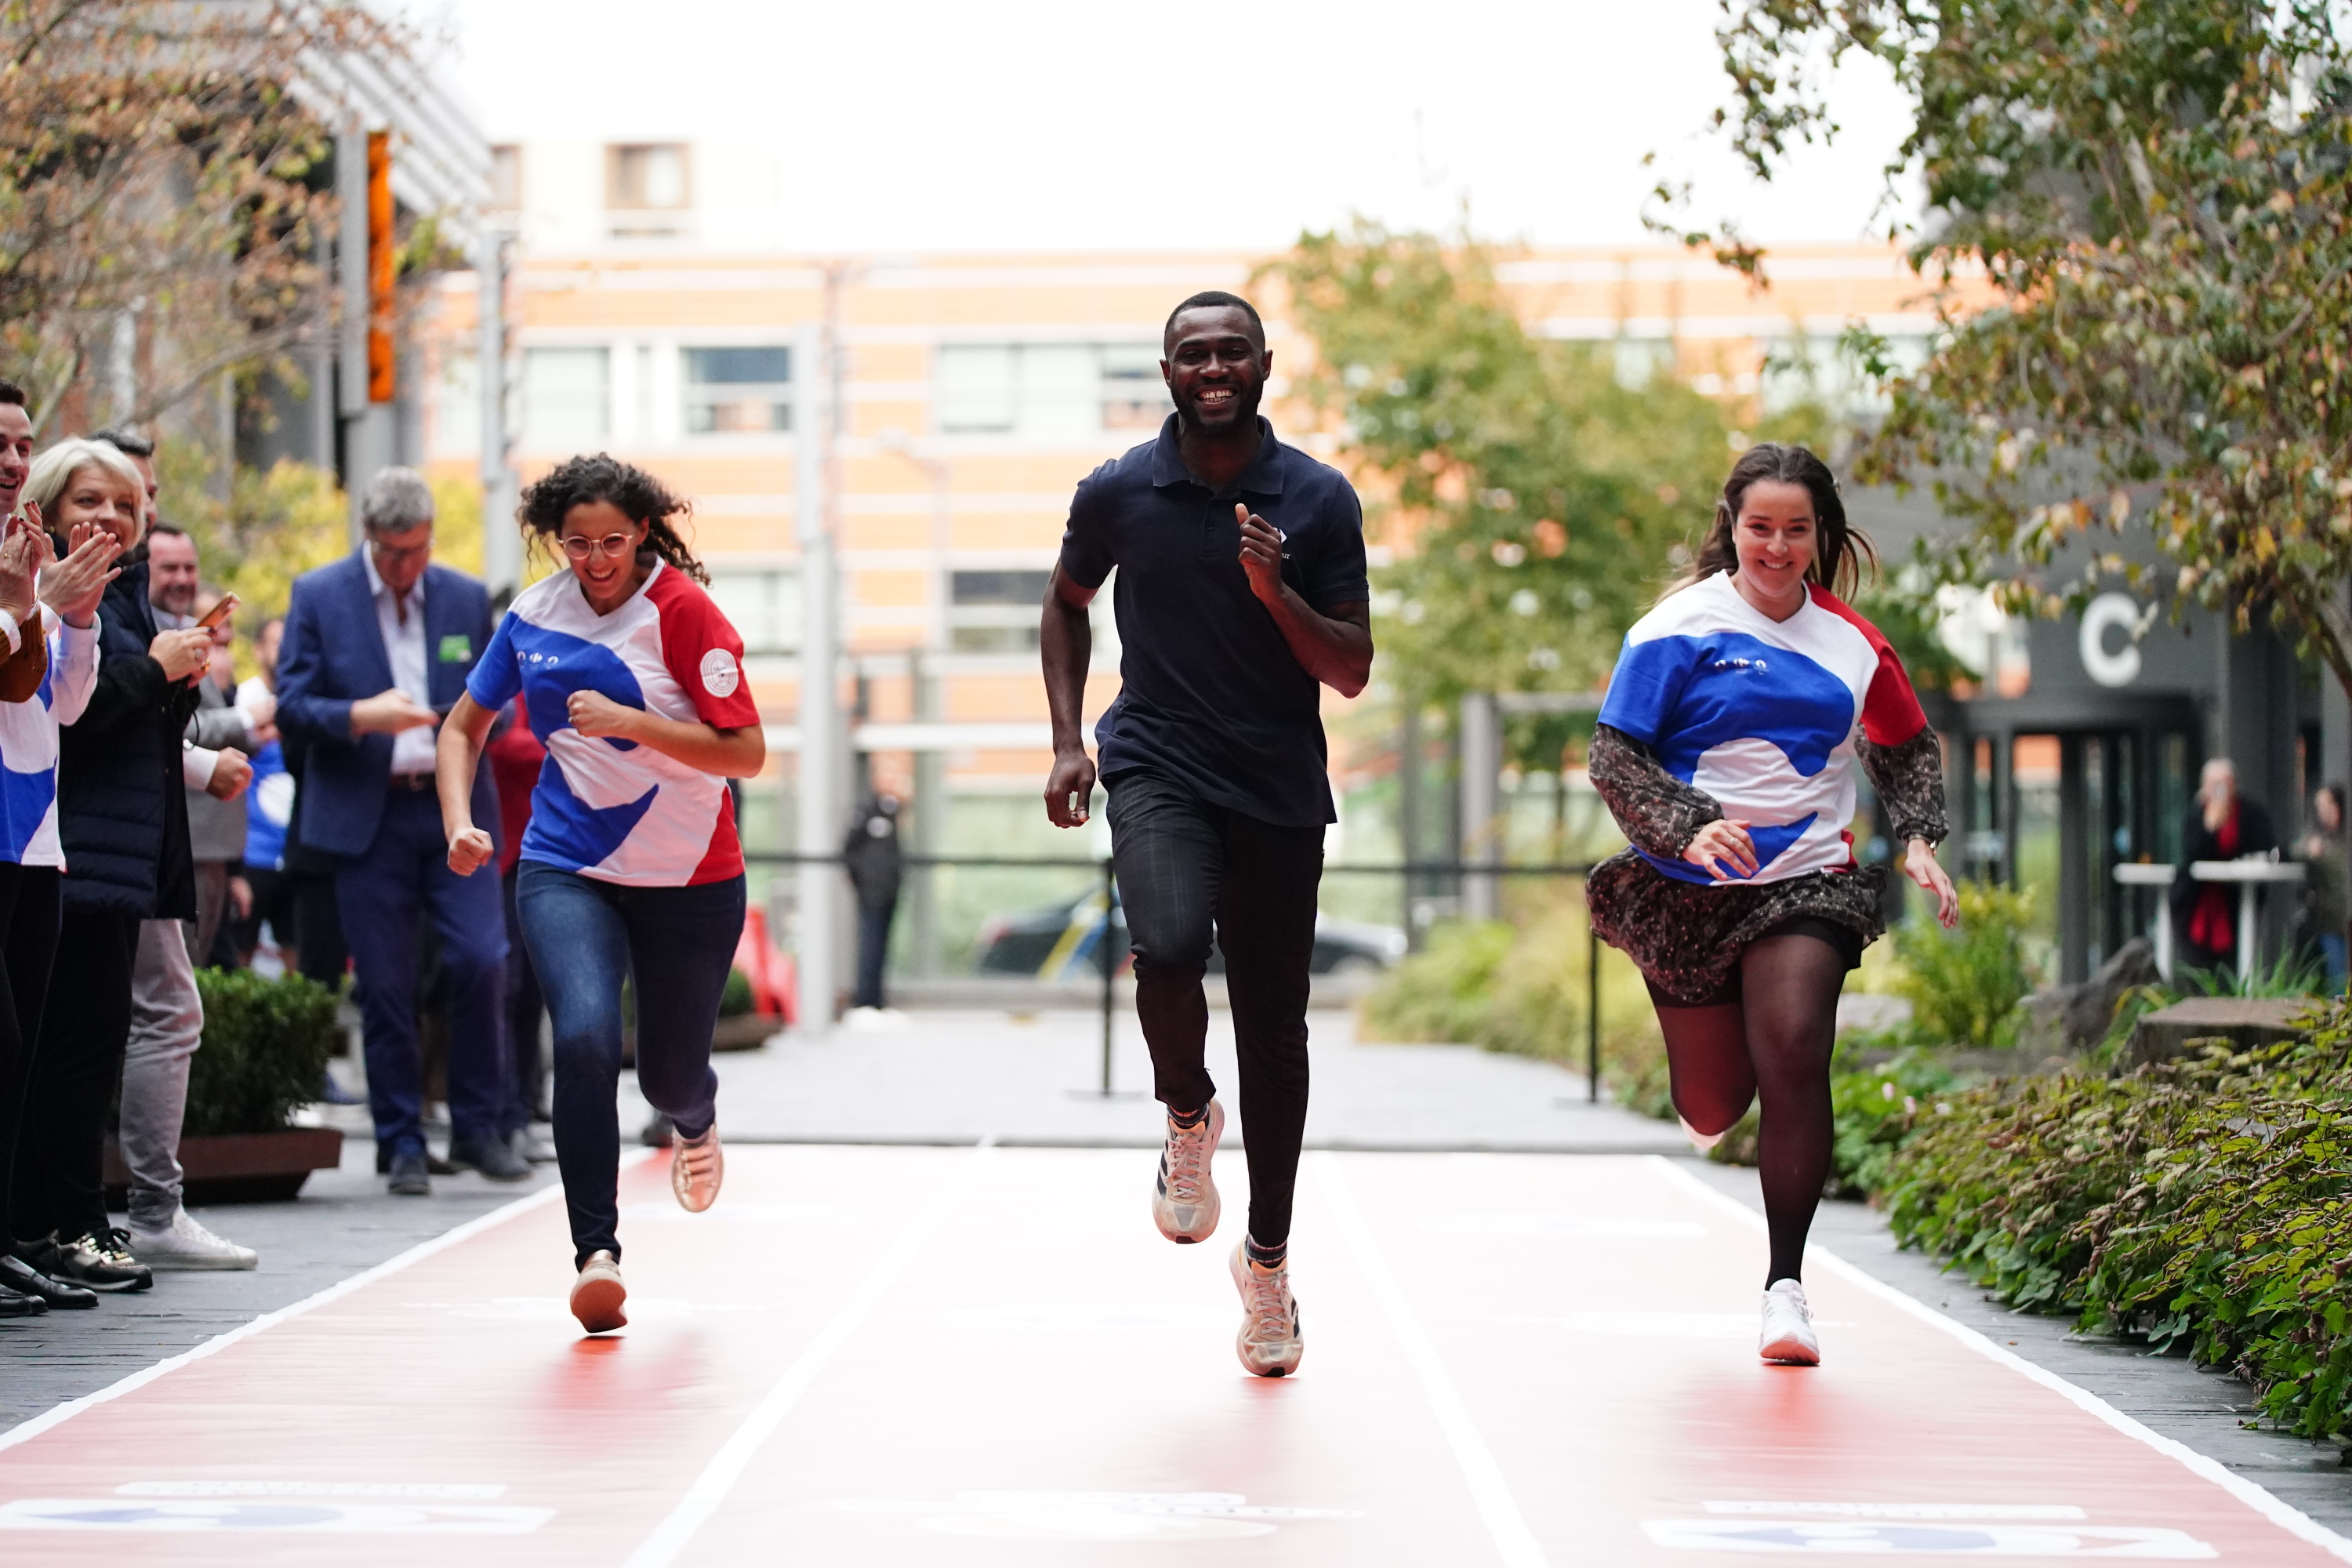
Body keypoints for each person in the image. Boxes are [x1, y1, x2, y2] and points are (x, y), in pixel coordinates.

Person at [1041, 291, 1372, 1378]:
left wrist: (1274, 590)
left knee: (1277, 1031)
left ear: (1265, 365)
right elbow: (1066, 601)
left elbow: (1351, 670)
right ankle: (1188, 1115)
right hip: (1156, 764)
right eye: (1195, 353)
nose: (1215, 367)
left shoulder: (1317, 499)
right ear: (1169, 370)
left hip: (1278, 785)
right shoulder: (1121, 491)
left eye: (1233, 351)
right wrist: (1066, 740)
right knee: (1171, 947)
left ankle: (1267, 1264)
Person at [1585, 442, 1958, 1367]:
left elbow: (1905, 748)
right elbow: (1615, 757)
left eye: (1797, 530)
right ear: (1732, 526)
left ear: (1821, 534)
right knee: (1712, 1105)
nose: (1778, 547)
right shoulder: (1674, 628)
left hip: (1807, 877)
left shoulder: (1852, 642)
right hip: (1689, 887)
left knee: (1795, 1043)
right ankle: (1711, 1079)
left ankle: (1785, 1288)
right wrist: (1686, 825)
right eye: (1761, 528)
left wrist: (1916, 837)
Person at [438, 453, 761, 1336]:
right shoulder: (534, 615)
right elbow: (462, 726)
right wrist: (457, 821)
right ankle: (597, 1254)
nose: (596, 559)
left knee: (665, 1073)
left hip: (689, 874)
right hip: (566, 863)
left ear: (646, 531)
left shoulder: (687, 614)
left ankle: (696, 1117)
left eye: (614, 540)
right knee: (581, 1032)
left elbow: (745, 754)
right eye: (575, 543)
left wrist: (633, 723)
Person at [276, 467, 521, 1195]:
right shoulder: (319, 595)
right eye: (395, 553)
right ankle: (401, 1141)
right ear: (370, 540)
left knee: (484, 960)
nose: (409, 567)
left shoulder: (465, 596)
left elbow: (499, 702)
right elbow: (291, 704)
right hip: (368, 815)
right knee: (384, 986)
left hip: (454, 812)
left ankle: (481, 1128)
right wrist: (361, 716)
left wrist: (470, 718)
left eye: (419, 550)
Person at [12, 438, 220, 1294]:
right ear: (50, 509)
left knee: (87, 1044)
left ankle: (65, 1221)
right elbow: (75, 711)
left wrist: (179, 670)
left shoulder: (120, 594)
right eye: (88, 501)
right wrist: (152, 667)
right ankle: (59, 1222)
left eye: (123, 506)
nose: (105, 518)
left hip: (115, 850)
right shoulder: (35, 591)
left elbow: (118, 704)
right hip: (65, 842)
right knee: (63, 1048)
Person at [0, 405, 120, 1316]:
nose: (12, 460)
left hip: (36, 840)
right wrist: (27, 605)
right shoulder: (17, 575)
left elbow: (65, 703)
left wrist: (71, 617)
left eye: (21, 444)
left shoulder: (34, 563)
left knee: (23, 1051)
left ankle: (7, 1242)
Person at [485, 691, 552, 1161]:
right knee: (507, 990)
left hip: (552, 857)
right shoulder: (516, 668)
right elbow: (499, 741)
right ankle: (503, 1115)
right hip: (506, 856)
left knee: (533, 994)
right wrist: (568, 745)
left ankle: (525, 1110)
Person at [2168, 758, 2278, 975]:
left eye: (2225, 783)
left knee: (2236, 962)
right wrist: (2210, 827)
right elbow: (2192, 854)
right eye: (2214, 784)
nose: (2221, 790)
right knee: (2199, 966)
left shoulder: (2252, 814)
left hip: (2236, 898)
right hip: (2199, 902)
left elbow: (2263, 848)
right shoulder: (2196, 814)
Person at [842, 789, 903, 1018]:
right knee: (871, 944)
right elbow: (849, 848)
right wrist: (860, 880)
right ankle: (866, 1000)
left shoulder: (892, 810)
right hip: (871, 891)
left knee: (881, 946)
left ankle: (877, 999)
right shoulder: (866, 809)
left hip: (890, 889)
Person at [2301, 784, 2345, 993]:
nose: (2321, 810)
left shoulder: (2340, 841)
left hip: (2342, 917)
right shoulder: (2318, 837)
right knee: (2338, 980)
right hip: (2330, 921)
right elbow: (2296, 849)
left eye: (2325, 805)